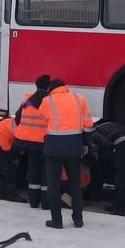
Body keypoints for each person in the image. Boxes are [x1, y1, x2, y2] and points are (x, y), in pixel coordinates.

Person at [38, 79, 94, 229]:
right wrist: (85, 144)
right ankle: (78, 220)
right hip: (74, 147)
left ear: (51, 89)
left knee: (53, 185)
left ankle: (56, 221)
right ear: (65, 87)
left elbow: (43, 118)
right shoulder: (79, 99)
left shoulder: (47, 101)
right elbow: (88, 125)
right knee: (75, 185)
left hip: (54, 148)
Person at [12, 74, 51, 209]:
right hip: (45, 142)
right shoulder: (49, 101)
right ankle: (45, 203)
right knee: (46, 174)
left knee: (33, 172)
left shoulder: (27, 100)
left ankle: (33, 202)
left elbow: (18, 118)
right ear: (48, 86)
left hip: (29, 142)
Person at [90, 120, 125, 216]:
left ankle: (119, 209)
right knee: (123, 176)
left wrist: (112, 150)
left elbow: (105, 143)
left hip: (122, 144)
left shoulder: (94, 132)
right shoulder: (106, 125)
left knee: (121, 177)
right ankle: (118, 205)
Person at [0, 116, 26, 203]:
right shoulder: (20, 130)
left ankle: (3, 193)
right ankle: (11, 194)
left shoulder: (21, 124)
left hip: (0, 130)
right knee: (8, 166)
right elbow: (14, 149)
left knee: (4, 165)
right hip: (1, 135)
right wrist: (19, 153)